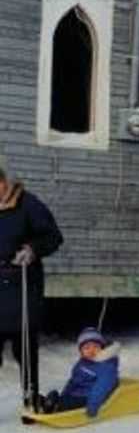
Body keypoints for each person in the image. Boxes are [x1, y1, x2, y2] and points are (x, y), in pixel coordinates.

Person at [0, 166, 63, 411]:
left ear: (4, 182)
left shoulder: (28, 204)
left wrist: (32, 250)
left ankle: (31, 398)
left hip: (22, 286)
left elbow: (53, 237)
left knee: (24, 348)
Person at [40, 327, 120, 416]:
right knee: (59, 396)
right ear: (81, 351)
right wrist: (64, 394)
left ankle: (54, 406)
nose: (91, 350)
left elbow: (101, 388)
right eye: (87, 347)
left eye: (96, 346)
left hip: (89, 398)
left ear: (101, 348)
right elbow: (73, 381)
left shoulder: (106, 366)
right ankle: (47, 403)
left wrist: (92, 406)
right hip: (77, 395)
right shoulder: (82, 363)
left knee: (66, 403)